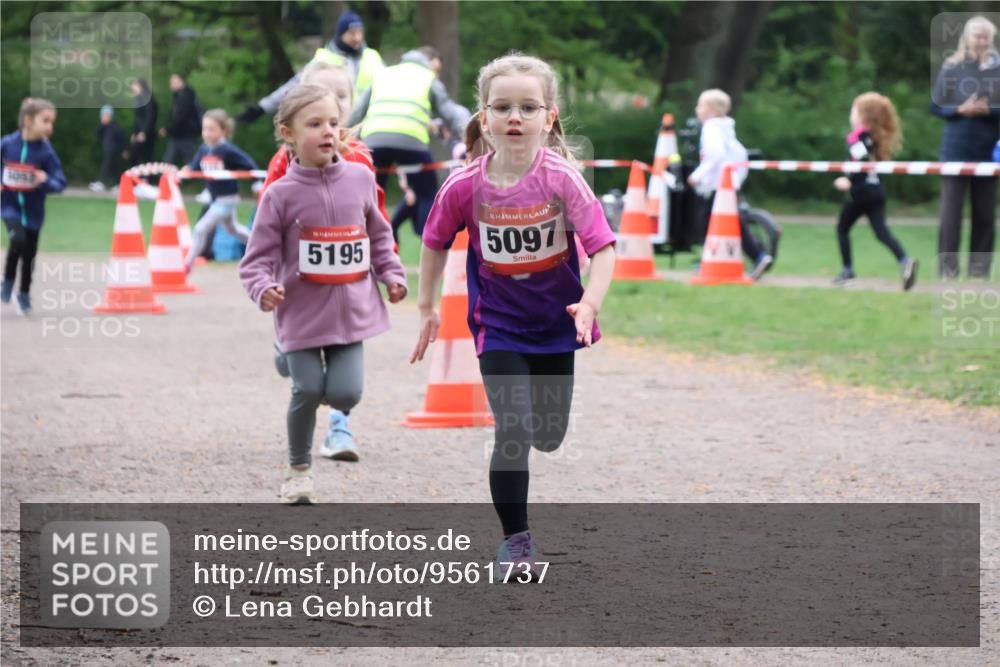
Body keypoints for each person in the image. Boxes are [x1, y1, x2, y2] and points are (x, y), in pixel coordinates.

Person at [411, 53, 616, 576]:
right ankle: (516, 540)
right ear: (484, 118)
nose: (515, 117)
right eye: (502, 107)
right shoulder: (465, 185)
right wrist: (427, 307)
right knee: (513, 429)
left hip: (557, 324)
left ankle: (526, 488)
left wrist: (590, 303)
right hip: (498, 327)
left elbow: (604, 248)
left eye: (528, 107)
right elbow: (433, 242)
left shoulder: (563, 179)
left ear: (549, 117)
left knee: (547, 435)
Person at [240, 84, 407, 503]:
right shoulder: (279, 195)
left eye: (333, 122)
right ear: (288, 134)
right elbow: (256, 259)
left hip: (351, 314)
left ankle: (285, 354)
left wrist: (391, 274)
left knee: (346, 394)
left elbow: (378, 236)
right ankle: (298, 472)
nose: (328, 131)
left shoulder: (360, 179)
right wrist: (263, 288)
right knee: (308, 390)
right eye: (314, 124)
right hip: (300, 314)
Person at [260, 60, 395, 462]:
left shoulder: (361, 161)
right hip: (300, 291)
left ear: (350, 106)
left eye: (339, 97)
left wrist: (388, 266)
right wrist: (268, 278)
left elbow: (374, 216)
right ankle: (288, 349)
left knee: (344, 383)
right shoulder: (284, 164)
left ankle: (339, 426)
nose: (329, 104)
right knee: (306, 378)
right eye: (318, 95)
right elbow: (267, 221)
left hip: (346, 290)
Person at [349, 46, 470, 238]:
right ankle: (429, 243)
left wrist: (343, 137)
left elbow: (357, 112)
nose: (437, 73)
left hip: (374, 140)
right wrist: (469, 137)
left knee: (371, 195)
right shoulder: (428, 77)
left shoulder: (382, 74)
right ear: (428, 61)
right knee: (427, 194)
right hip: (411, 142)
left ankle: (365, 242)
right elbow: (450, 113)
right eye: (436, 68)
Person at [931, 15, 1000, 279]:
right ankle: (947, 270)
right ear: (967, 38)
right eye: (976, 36)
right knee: (950, 214)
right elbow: (936, 106)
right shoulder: (951, 67)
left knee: (985, 215)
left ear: (991, 39)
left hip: (987, 151)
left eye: (985, 37)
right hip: (955, 150)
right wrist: (959, 110)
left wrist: (988, 110)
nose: (981, 41)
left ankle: (979, 272)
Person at [831, 93, 917, 290]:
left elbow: (861, 163)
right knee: (881, 232)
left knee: (842, 229)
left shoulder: (858, 137)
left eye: (853, 111)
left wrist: (848, 180)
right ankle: (905, 261)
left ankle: (847, 271)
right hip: (877, 192)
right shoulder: (875, 138)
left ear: (864, 116)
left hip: (860, 193)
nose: (851, 115)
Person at [687, 89, 772, 280]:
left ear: (712, 110)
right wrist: (737, 178)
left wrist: (698, 175)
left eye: (701, 105)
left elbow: (715, 155)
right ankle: (714, 258)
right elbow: (740, 155)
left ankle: (757, 255)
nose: (697, 109)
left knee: (712, 222)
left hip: (718, 185)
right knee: (724, 221)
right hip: (728, 183)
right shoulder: (726, 129)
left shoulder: (711, 128)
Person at [238, 10, 383, 123]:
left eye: (360, 32)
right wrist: (262, 107)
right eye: (352, 33)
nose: (357, 38)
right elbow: (295, 85)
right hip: (333, 125)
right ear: (341, 34)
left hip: (365, 127)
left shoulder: (373, 57)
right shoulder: (324, 58)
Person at [1, 97, 67, 315]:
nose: (50, 126)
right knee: (17, 239)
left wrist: (45, 179)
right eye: (45, 120)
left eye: (52, 122)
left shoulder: (46, 152)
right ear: (29, 120)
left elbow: (60, 182)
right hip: (9, 206)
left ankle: (23, 293)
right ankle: (7, 281)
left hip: (34, 213)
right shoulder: (7, 144)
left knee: (29, 254)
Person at [179, 109, 259, 272]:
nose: (207, 133)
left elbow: (250, 165)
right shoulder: (204, 149)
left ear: (223, 131)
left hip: (227, 199)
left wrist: (256, 183)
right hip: (216, 199)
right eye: (204, 129)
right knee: (233, 229)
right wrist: (185, 171)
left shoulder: (228, 151)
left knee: (200, 228)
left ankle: (187, 264)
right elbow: (194, 167)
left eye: (212, 129)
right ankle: (263, 247)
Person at [160, 73, 203, 167]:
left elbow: (180, 116)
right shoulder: (181, 96)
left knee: (191, 163)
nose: (171, 84)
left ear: (181, 82)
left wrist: (168, 129)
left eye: (173, 81)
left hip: (186, 135)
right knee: (168, 163)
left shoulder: (185, 96)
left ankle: (203, 175)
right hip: (179, 135)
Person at [89, 105, 126, 192]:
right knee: (113, 168)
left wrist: (124, 150)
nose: (104, 117)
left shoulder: (115, 126)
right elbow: (97, 134)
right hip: (107, 150)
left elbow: (122, 139)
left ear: (110, 116)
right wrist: (102, 124)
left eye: (106, 115)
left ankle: (102, 182)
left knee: (107, 166)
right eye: (103, 116)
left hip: (114, 150)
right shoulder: (103, 126)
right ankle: (118, 184)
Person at [128, 78, 158, 167]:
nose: (133, 88)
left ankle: (147, 174)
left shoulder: (148, 99)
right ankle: (143, 174)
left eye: (135, 86)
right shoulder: (139, 99)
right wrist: (134, 133)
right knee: (140, 156)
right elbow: (138, 119)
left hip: (147, 133)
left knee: (145, 156)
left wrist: (144, 132)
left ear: (141, 87)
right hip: (140, 132)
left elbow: (150, 117)